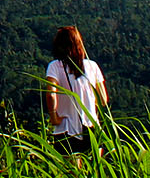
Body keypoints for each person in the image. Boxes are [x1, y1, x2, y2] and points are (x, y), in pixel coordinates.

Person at [42, 25, 109, 155]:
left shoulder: (55, 66)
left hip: (65, 128)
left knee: (71, 173)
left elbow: (51, 95)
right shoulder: (92, 66)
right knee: (94, 170)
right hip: (91, 127)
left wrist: (54, 117)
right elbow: (103, 100)